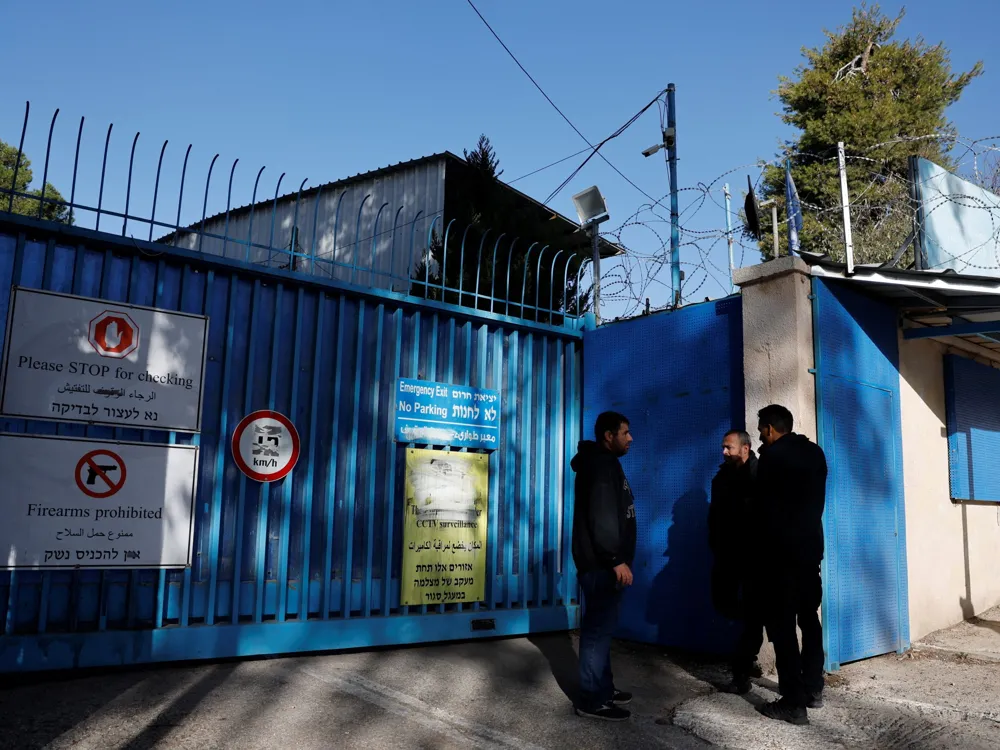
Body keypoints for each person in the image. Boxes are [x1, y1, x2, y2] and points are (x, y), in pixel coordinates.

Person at [754, 404, 828, 726]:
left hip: (781, 557)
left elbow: (765, 509)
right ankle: (813, 689)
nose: (760, 436)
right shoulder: (815, 453)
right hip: (810, 551)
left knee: (782, 627)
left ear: (770, 428)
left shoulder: (772, 457)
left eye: (761, 430)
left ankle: (793, 702)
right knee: (809, 619)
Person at [570, 411, 637, 722]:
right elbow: (603, 517)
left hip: (603, 563)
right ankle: (592, 699)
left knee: (603, 630)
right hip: (601, 565)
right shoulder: (599, 465)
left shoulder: (605, 462)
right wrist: (615, 559)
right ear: (608, 436)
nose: (630, 438)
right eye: (625, 433)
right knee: (596, 632)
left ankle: (603, 688)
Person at [708, 429, 765, 694]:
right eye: (723, 447)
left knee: (754, 613)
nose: (724, 452)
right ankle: (748, 650)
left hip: (754, 558)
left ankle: (742, 672)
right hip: (727, 556)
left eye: (728, 447)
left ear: (745, 448)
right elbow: (715, 515)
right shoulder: (721, 477)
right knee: (724, 603)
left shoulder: (760, 474)